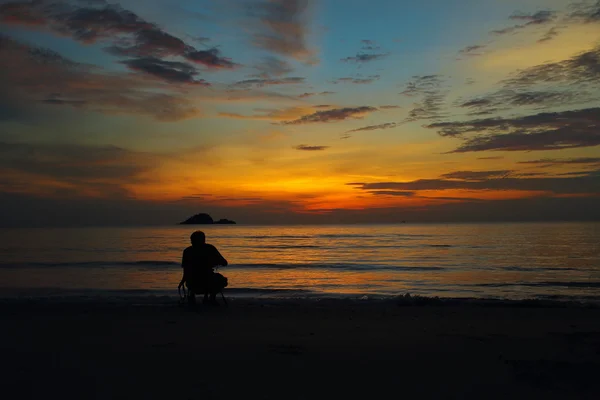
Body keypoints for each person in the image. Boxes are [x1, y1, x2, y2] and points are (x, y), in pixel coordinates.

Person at [178, 231, 228, 306]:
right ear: (204, 240)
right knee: (220, 279)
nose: (191, 242)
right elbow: (224, 262)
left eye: (192, 240)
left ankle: (193, 297)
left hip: (192, 283)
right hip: (206, 281)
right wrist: (214, 263)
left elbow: (186, 269)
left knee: (208, 279)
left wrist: (182, 281)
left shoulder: (187, 251)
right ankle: (211, 298)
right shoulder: (210, 248)